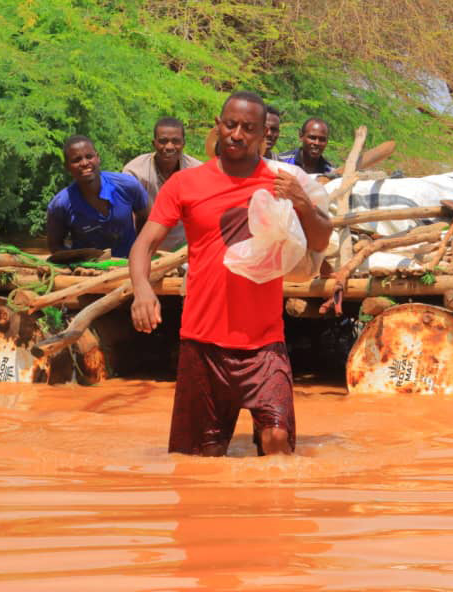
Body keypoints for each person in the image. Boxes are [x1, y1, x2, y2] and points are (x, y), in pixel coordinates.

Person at [128, 91, 332, 456]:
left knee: (277, 442)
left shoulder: (280, 182)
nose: (237, 134)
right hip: (203, 339)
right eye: (231, 124)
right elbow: (144, 243)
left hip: (264, 342)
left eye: (248, 128)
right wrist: (142, 290)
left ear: (263, 136)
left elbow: (320, 239)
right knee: (199, 462)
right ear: (218, 126)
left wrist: (301, 202)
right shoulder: (185, 184)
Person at [46, 135, 149, 258]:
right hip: (88, 271)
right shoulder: (60, 204)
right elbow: (55, 246)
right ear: (67, 166)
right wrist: (78, 263)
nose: (84, 163)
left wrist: (139, 253)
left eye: (89, 157)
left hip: (128, 265)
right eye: (76, 160)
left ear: (98, 158)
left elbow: (146, 220)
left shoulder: (128, 186)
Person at [122, 117, 202, 251]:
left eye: (175, 141)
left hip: (185, 248)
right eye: (163, 141)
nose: (169, 147)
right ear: (154, 143)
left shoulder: (197, 171)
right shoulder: (135, 171)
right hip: (147, 247)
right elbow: (128, 216)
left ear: (183, 143)